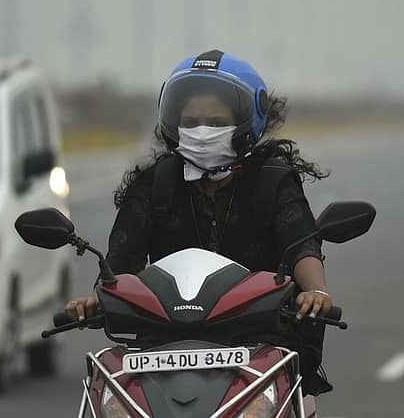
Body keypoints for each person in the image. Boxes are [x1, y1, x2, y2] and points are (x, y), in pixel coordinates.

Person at [64, 49, 334, 393]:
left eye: (217, 123)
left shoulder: (272, 178)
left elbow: (301, 243)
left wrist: (316, 291)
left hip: (258, 343)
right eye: (191, 123)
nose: (202, 132)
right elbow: (121, 263)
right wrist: (95, 300)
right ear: (173, 124)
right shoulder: (155, 183)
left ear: (247, 122)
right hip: (163, 346)